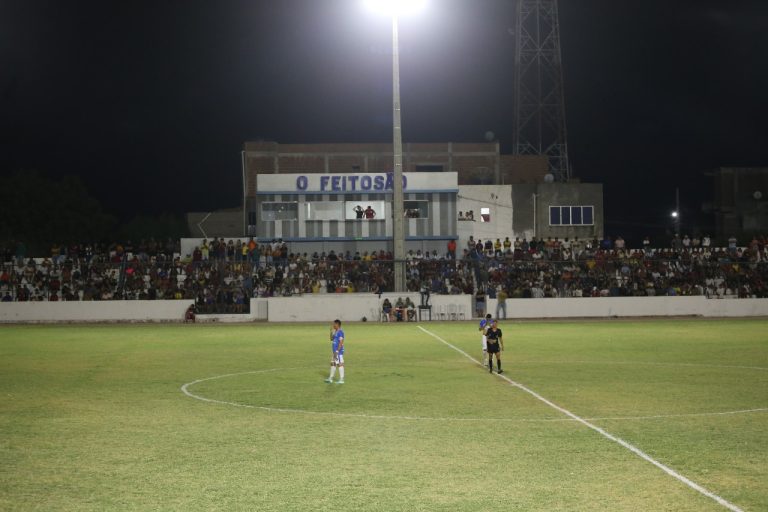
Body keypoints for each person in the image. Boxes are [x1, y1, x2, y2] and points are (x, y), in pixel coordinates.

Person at [325, 319, 345, 384]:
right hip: (334, 352)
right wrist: (331, 331)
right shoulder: (335, 332)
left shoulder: (340, 332)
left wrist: (337, 351)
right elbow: (331, 339)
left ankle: (341, 379)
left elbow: (341, 342)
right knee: (333, 364)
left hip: (338, 352)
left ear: (337, 324)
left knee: (339, 364)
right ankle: (331, 378)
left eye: (334, 324)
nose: (333, 325)